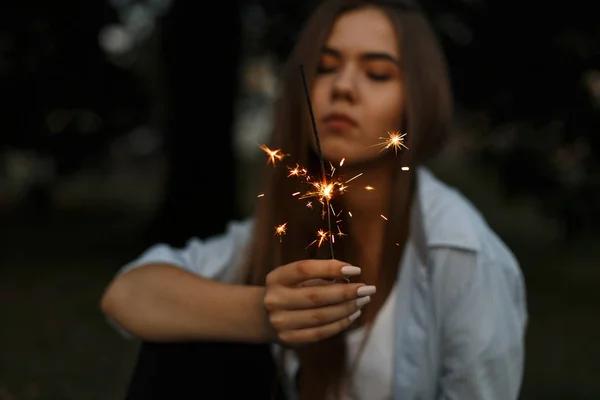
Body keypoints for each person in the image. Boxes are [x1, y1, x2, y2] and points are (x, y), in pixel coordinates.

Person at [100, 0, 528, 399]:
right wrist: (262, 314)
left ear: (417, 99)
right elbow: (128, 294)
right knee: (187, 340)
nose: (343, 87)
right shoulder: (300, 217)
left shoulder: (462, 255)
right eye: (325, 68)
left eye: (377, 74)